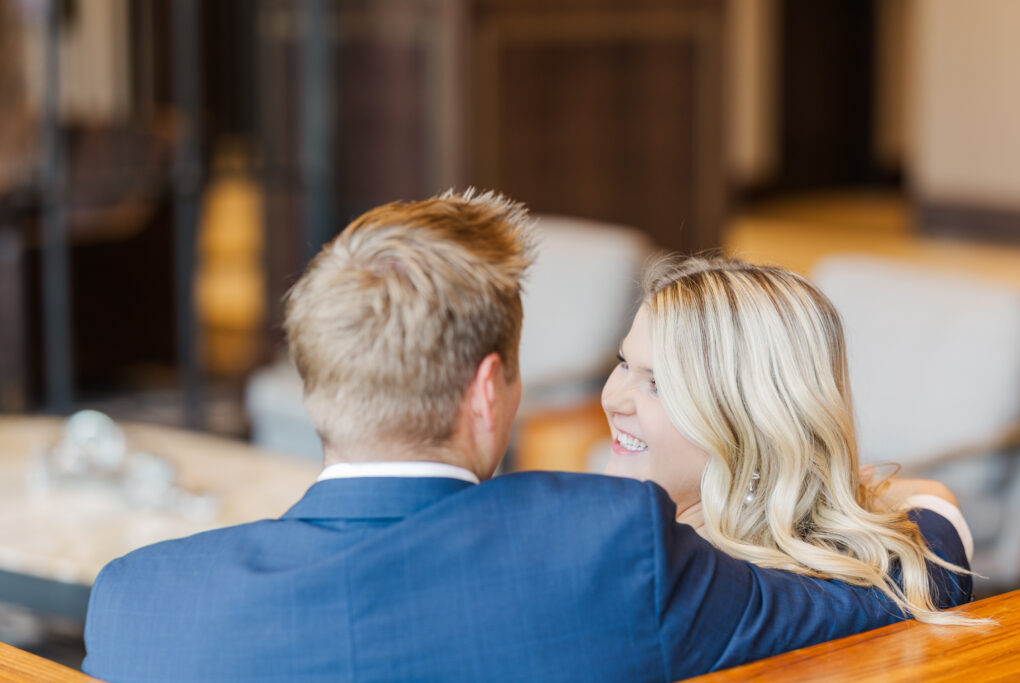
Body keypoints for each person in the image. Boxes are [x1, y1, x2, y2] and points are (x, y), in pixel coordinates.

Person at [83, 192, 971, 683]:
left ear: (315, 383)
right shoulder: (604, 546)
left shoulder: (137, 604)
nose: (616, 396)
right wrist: (926, 512)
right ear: (487, 392)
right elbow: (881, 591)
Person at [602, 255, 975, 624]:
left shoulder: (690, 594)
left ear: (750, 423)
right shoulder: (914, 562)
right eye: (623, 363)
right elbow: (935, 502)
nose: (613, 398)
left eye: (656, 385)